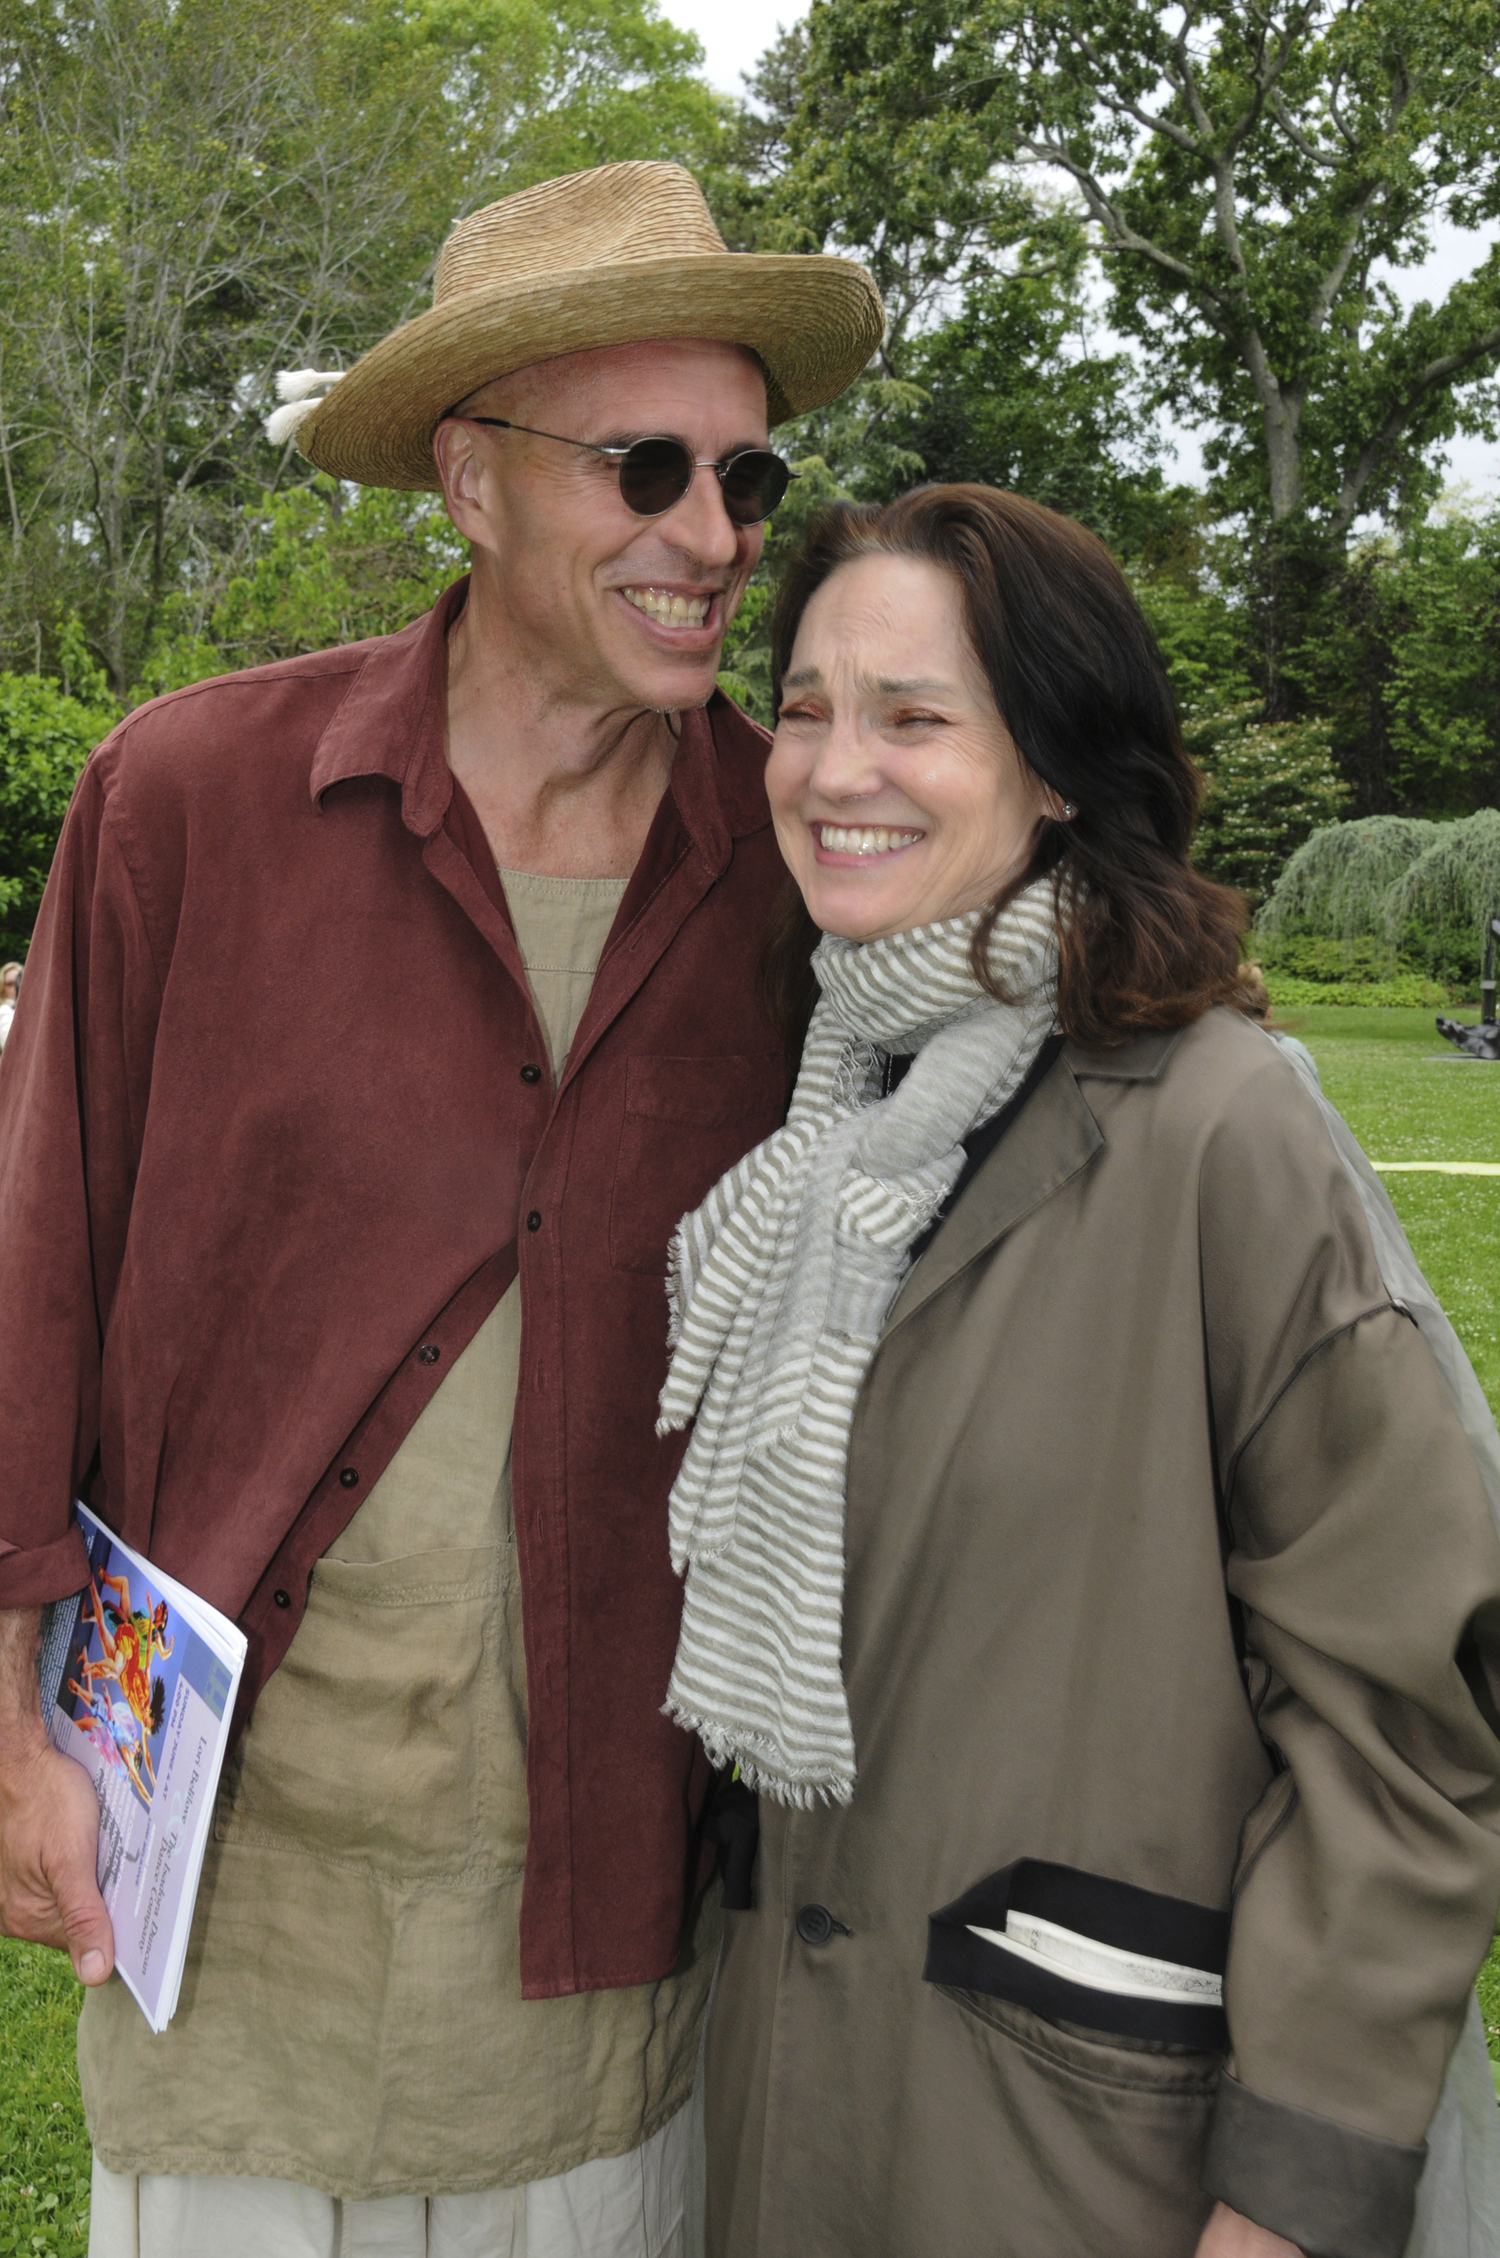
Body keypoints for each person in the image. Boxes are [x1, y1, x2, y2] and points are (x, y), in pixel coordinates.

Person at [0, 161, 881, 2258]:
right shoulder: (186, 803)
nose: (713, 537)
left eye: (746, 477)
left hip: (599, 1916)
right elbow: (31, 1277)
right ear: (472, 484)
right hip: (229, 1894)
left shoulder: (794, 883)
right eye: (646, 467)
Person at [656, 485, 1500, 2258]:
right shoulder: (813, 1126)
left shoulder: (1219, 1132)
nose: (831, 766)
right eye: (802, 707)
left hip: (1093, 2150)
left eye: (913, 716)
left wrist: (1294, 2194)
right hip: (794, 2114)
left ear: (1054, 767)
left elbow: (1413, 1719)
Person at [0, 962, 20, 1049]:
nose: (15, 987)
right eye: (10, 984)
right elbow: (11, 1043)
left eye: (18, 981)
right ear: (3, 989)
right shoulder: (4, 1011)